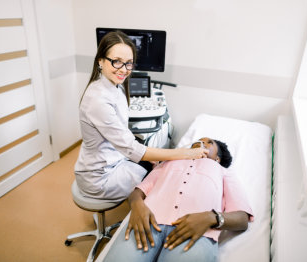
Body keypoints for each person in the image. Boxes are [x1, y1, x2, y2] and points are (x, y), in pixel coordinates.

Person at [74, 31, 208, 202]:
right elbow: (131, 148)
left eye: (129, 63)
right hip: (100, 178)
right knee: (159, 176)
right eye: (116, 62)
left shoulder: (115, 85)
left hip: (113, 160)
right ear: (100, 61)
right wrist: (185, 154)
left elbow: (124, 137)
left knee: (154, 162)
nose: (124, 70)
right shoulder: (98, 100)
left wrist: (149, 156)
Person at [103, 137, 254, 262]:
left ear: (217, 158)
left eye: (209, 142)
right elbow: (139, 191)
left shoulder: (223, 172)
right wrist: (137, 205)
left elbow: (242, 218)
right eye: (199, 140)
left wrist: (211, 217)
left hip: (196, 231)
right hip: (147, 222)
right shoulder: (170, 161)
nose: (202, 142)